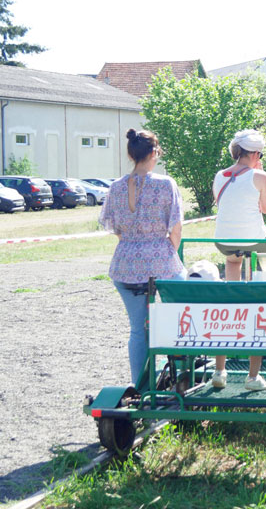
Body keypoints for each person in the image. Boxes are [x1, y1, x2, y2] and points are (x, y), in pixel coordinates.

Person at [100, 128, 185, 383]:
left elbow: (113, 227)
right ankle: (180, 373)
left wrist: (133, 243)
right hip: (161, 261)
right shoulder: (165, 184)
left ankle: (140, 384)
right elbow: (177, 226)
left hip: (125, 265)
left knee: (138, 330)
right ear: (153, 153)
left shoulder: (115, 187)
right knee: (181, 315)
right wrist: (168, 248)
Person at [211, 129, 266, 392]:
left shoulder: (220, 175)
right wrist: (259, 173)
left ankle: (220, 370)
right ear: (254, 154)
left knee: (232, 269)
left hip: (224, 242)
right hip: (255, 240)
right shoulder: (260, 175)